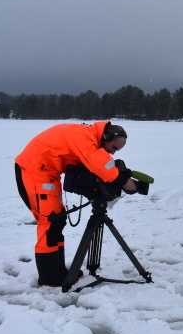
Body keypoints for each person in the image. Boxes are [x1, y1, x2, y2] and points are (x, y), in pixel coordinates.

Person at [15, 122, 137, 286]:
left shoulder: (89, 139)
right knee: (49, 222)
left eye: (117, 151)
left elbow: (95, 164)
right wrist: (123, 181)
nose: (113, 152)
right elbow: (98, 162)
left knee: (58, 220)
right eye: (113, 147)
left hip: (48, 174)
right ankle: (49, 277)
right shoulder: (84, 137)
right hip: (33, 170)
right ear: (105, 137)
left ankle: (59, 271)